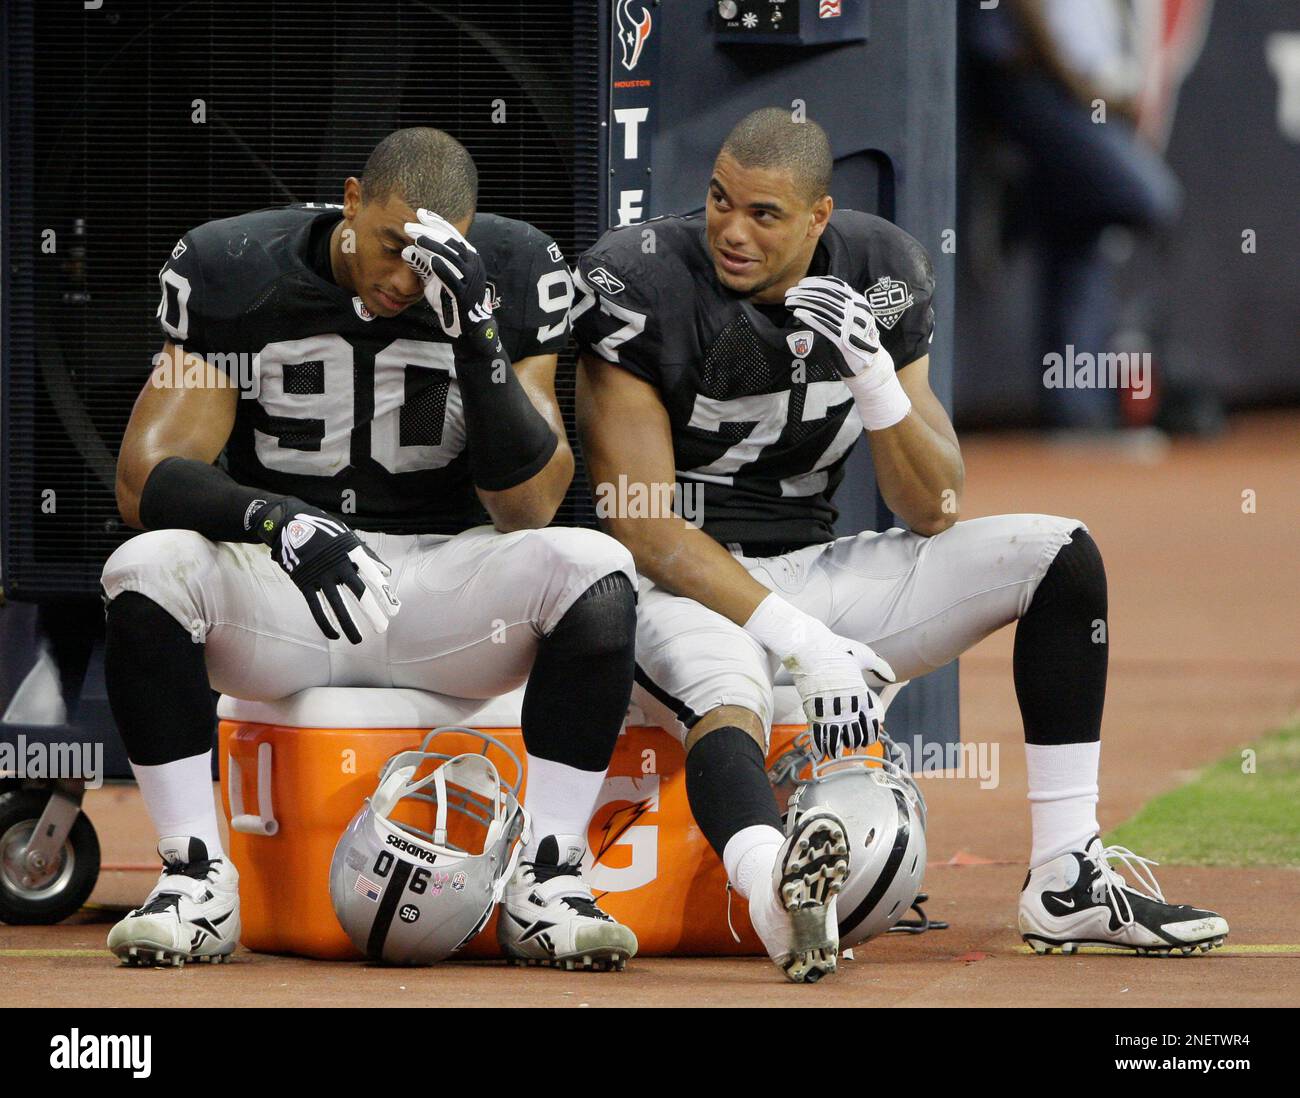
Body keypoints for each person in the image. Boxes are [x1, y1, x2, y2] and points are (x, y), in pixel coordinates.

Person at [573, 107, 1227, 982]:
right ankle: (774, 897)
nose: (732, 230)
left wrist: (879, 385)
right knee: (730, 687)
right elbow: (647, 527)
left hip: (817, 571)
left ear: (818, 218)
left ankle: (1068, 873)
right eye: (720, 201)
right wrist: (800, 639)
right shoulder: (638, 278)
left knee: (1059, 553)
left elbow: (936, 505)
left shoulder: (882, 270)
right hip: (684, 586)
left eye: (764, 215)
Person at [101, 127, 638, 971]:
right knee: (146, 569)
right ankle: (196, 878)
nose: (403, 280)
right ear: (351, 200)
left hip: (442, 586)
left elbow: (529, 504)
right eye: (391, 246)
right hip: (292, 586)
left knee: (594, 571)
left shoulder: (511, 269)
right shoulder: (234, 264)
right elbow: (144, 480)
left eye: (428, 259)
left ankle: (548, 879)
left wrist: (479, 339)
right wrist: (277, 521)